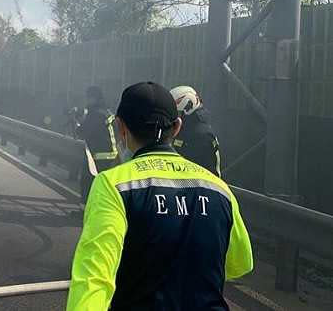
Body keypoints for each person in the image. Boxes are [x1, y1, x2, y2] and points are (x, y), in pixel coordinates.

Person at [67, 82, 253, 310]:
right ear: (176, 127)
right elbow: (240, 263)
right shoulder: (220, 190)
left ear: (121, 127)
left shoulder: (112, 185)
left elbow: (93, 278)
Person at [170, 85, 223, 177]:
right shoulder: (187, 128)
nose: (173, 118)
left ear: (188, 107)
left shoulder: (201, 135)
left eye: (177, 113)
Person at [78, 86, 118, 201]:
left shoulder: (95, 114)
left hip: (97, 156)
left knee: (87, 181)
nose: (87, 100)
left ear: (94, 98)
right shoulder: (107, 112)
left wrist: (79, 123)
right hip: (112, 155)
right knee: (105, 185)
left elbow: (84, 132)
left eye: (89, 97)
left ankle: (84, 210)